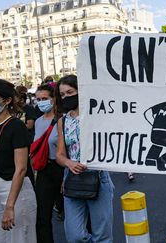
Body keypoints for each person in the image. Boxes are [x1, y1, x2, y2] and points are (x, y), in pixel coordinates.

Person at [55, 75, 114, 242]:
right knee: (75, 236)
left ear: (81, 90)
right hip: (72, 178)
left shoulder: (99, 114)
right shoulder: (63, 121)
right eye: (62, 94)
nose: (66, 97)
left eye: (70, 92)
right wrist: (69, 163)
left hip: (98, 176)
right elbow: (60, 154)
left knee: (102, 235)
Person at [0, 78, 37, 242]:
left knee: (21, 238)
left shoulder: (16, 126)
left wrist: (10, 205)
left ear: (6, 101)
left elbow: (20, 169)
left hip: (16, 193)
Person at [33, 83, 64, 243]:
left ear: (53, 100)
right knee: (42, 216)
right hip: (45, 171)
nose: (41, 102)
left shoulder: (63, 120)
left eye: (44, 98)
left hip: (62, 170)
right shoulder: (38, 122)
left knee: (68, 212)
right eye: (38, 99)